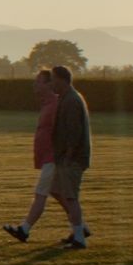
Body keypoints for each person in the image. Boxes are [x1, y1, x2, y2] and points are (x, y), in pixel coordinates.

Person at [3, 69, 65, 242]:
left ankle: (24, 229)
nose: (35, 84)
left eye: (39, 81)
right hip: (47, 157)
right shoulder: (47, 103)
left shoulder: (54, 105)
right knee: (60, 194)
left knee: (41, 193)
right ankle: (81, 227)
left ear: (49, 84)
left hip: (53, 158)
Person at [48, 66, 92, 249]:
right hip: (65, 157)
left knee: (71, 196)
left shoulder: (72, 100)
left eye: (53, 79)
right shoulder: (66, 98)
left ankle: (79, 237)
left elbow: (74, 132)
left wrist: (68, 156)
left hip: (72, 158)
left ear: (62, 80)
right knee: (56, 190)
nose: (51, 83)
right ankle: (80, 228)